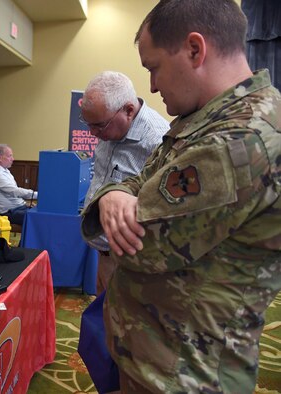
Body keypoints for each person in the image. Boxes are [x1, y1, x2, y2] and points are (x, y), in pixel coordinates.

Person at [81, 0, 281, 392]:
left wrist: (117, 199)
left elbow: (139, 241)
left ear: (195, 49)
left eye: (153, 67)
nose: (152, 86)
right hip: (156, 353)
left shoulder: (240, 139)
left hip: (185, 371)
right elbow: (138, 183)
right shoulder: (202, 120)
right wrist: (115, 193)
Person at [80, 71, 169, 294]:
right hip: (105, 255)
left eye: (99, 126)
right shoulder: (109, 131)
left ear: (128, 111)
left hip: (134, 264)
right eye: (88, 124)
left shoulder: (158, 141)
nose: (93, 134)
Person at [0, 145, 37, 225]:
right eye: (10, 156)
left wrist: (25, 203)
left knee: (41, 213)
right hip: (9, 213)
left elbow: (14, 194)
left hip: (19, 208)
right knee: (38, 217)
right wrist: (36, 195)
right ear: (0, 158)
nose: (13, 159)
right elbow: (15, 191)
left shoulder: (6, 171)